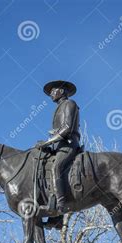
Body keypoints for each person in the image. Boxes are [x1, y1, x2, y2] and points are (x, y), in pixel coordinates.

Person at [35, 80, 80, 214]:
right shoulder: (59, 107)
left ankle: (60, 206)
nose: (51, 94)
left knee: (56, 167)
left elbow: (67, 128)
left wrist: (47, 142)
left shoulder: (69, 104)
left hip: (68, 144)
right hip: (58, 146)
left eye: (53, 91)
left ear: (61, 91)